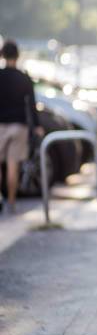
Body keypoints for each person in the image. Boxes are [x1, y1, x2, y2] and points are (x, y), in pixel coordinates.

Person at [0, 40, 44, 214]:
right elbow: (32, 105)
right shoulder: (24, 77)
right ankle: (11, 202)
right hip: (19, 125)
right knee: (13, 166)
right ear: (17, 56)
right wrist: (37, 126)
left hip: (0, 125)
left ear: (3, 55)